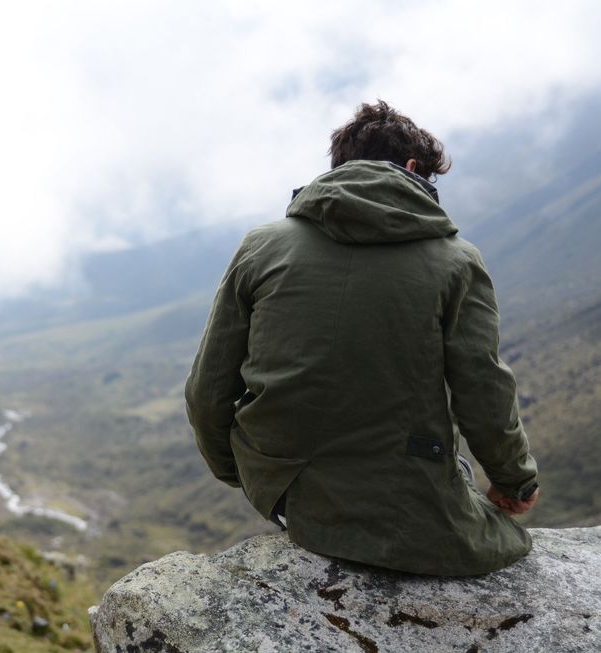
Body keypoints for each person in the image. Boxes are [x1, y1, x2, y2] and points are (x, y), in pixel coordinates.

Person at [184, 101, 539, 575]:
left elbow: (206, 391)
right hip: (400, 497)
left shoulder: (262, 245)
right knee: (482, 512)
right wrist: (515, 481)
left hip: (280, 485)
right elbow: (483, 391)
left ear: (340, 167)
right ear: (412, 168)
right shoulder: (456, 262)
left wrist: (246, 473)